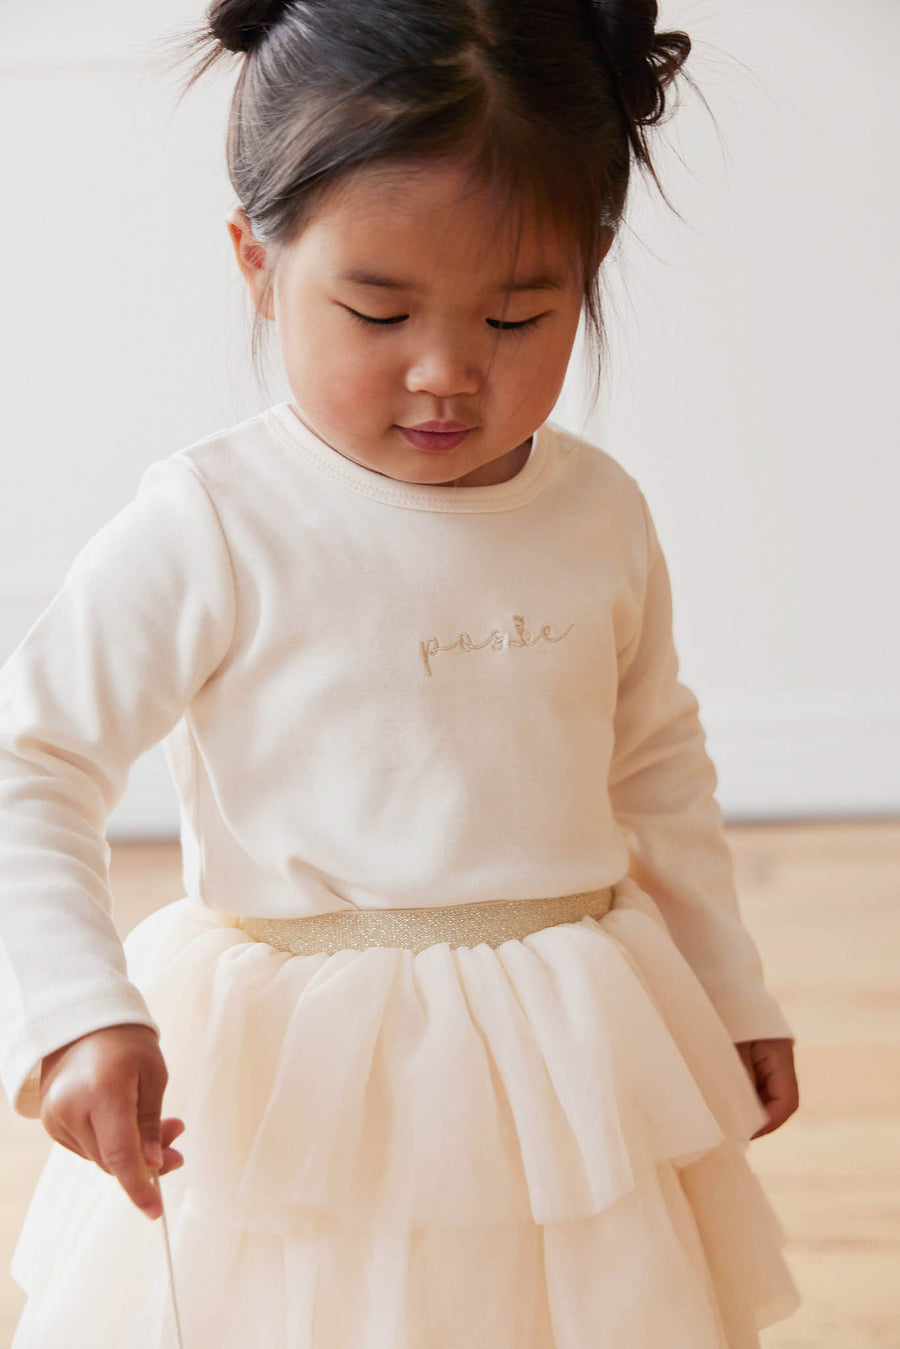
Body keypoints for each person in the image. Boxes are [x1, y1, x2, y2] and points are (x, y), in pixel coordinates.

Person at [0, 1, 802, 1344]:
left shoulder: (598, 513)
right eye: (378, 310)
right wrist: (77, 1009)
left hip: (566, 1055)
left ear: (591, 266)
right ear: (259, 265)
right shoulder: (217, 523)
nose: (446, 371)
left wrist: (727, 985)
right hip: (304, 1074)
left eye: (517, 314)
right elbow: (33, 758)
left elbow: (656, 762)